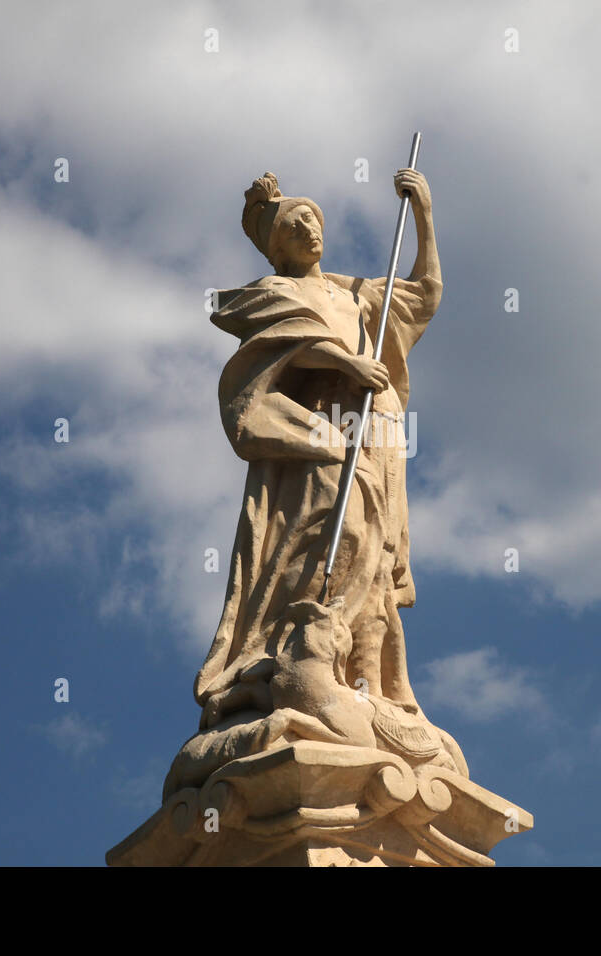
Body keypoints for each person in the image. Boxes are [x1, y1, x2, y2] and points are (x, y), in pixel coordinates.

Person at [163, 167, 465, 797]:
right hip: (321, 434)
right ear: (276, 246)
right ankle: (297, 657)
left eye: (315, 219)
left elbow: (427, 294)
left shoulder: (358, 294)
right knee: (336, 534)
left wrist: (425, 216)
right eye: (296, 223)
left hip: (377, 435)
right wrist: (343, 360)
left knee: (378, 558)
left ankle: (372, 683)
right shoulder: (275, 291)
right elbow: (287, 342)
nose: (310, 228)